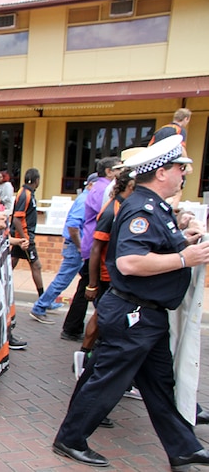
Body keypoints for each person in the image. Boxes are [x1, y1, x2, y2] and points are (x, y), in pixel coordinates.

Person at [53, 134, 209, 470]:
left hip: (145, 316)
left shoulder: (155, 207)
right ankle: (70, 438)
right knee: (107, 381)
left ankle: (183, 448)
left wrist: (183, 241)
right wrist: (185, 258)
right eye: (181, 168)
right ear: (163, 172)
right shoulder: (141, 209)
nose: (185, 175)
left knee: (159, 386)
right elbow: (130, 262)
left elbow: (157, 247)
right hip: (133, 315)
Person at [60, 157, 121, 335]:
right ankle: (77, 329)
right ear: (109, 171)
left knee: (86, 287)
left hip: (92, 243)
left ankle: (73, 327)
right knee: (91, 288)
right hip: (95, 245)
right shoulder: (105, 189)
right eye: (118, 169)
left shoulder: (101, 187)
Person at [29, 173, 97, 324]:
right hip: (76, 246)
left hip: (77, 245)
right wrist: (80, 247)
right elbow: (73, 226)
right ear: (91, 185)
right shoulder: (86, 200)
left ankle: (46, 302)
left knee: (73, 278)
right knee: (63, 279)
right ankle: (40, 307)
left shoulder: (86, 198)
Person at [10, 168, 44, 298]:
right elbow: (17, 219)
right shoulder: (25, 194)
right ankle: (42, 299)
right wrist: (25, 239)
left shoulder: (28, 193)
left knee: (12, 261)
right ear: (36, 180)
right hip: (24, 236)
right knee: (36, 265)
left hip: (22, 236)